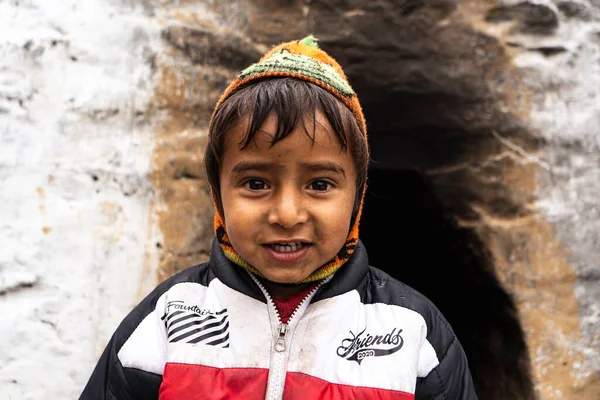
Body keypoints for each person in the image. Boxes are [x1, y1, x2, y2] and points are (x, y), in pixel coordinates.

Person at [80, 36, 477, 399]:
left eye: (320, 185)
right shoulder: (166, 320)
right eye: (255, 183)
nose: (287, 215)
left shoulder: (413, 334)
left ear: (357, 196)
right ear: (217, 193)